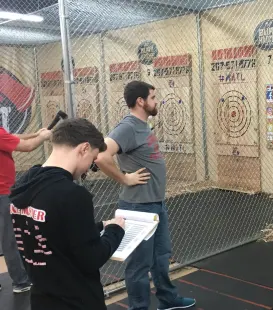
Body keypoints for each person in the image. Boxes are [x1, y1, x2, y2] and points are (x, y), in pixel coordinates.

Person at [95, 80, 196, 310]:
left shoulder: (142, 126)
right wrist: (125, 178)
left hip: (155, 204)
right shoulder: (128, 127)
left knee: (161, 257)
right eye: (152, 97)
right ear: (140, 101)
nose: (156, 101)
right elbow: (101, 155)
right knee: (139, 264)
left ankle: (168, 300)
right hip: (138, 206)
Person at [8, 118, 126, 310]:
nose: (89, 167)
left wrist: (101, 226)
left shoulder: (25, 186)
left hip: (42, 299)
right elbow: (92, 258)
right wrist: (115, 230)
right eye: (92, 159)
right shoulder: (72, 195)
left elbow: (49, 233)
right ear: (84, 148)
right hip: (76, 300)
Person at [0, 126, 52, 293]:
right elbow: (27, 147)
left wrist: (36, 133)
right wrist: (42, 137)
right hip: (2, 193)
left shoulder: (2, 134)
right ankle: (21, 281)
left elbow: (11, 135)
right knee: (10, 240)